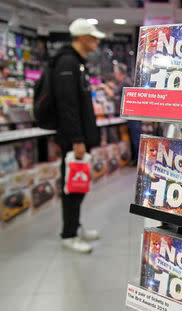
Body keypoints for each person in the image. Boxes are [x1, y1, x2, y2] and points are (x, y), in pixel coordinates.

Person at [53, 18, 105, 253]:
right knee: (72, 187)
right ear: (83, 37)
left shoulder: (77, 63)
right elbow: (67, 106)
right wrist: (76, 140)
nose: (96, 41)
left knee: (78, 184)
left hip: (80, 138)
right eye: (93, 37)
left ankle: (75, 225)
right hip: (74, 140)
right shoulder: (67, 63)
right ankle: (69, 234)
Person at [101, 63, 141, 165]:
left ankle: (137, 160)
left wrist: (104, 86)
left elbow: (112, 93)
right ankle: (136, 159)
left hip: (132, 115)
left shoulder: (125, 82)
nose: (114, 75)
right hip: (133, 113)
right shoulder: (126, 81)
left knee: (135, 138)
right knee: (134, 137)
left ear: (119, 73)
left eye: (115, 72)